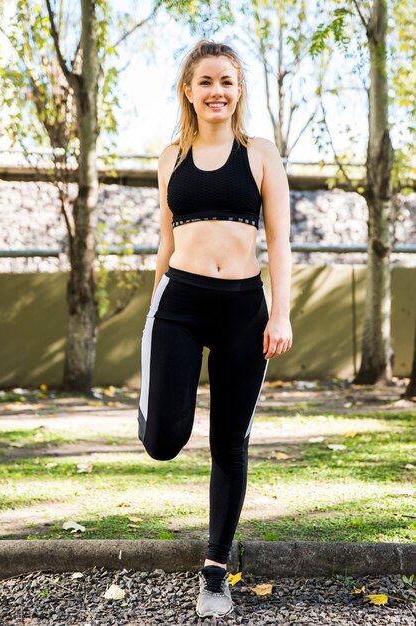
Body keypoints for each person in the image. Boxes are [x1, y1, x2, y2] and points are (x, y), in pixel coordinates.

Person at [137, 39, 292, 619]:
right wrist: (155, 301)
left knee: (231, 439)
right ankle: (152, 406)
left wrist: (281, 311)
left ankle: (215, 569)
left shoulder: (260, 153)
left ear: (239, 90)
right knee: (161, 443)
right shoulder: (170, 155)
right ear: (188, 89)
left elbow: (279, 238)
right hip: (178, 300)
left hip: (242, 309)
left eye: (226, 81)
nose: (217, 91)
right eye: (205, 81)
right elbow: (165, 237)